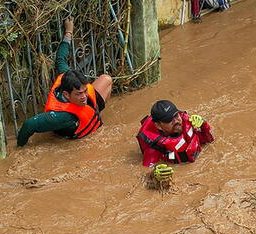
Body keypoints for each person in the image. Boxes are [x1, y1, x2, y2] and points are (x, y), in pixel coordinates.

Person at [16, 18, 113, 146]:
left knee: (107, 79)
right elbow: (29, 124)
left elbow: (60, 59)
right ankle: (91, 120)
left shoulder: (66, 76)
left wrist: (68, 32)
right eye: (78, 93)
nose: (84, 96)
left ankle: (95, 116)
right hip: (74, 130)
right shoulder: (62, 116)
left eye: (85, 91)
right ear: (67, 95)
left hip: (88, 113)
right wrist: (20, 147)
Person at [136, 100, 214, 184]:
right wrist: (154, 175)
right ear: (158, 126)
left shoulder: (188, 123)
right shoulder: (154, 147)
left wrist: (203, 125)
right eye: (169, 120)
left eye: (176, 115)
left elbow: (209, 141)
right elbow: (145, 172)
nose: (176, 121)